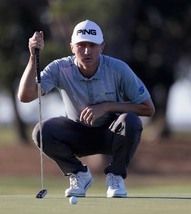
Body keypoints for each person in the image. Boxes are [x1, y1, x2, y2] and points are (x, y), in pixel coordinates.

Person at [18, 20, 155, 198]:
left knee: (131, 121)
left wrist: (106, 107)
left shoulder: (118, 69)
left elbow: (148, 108)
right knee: (41, 131)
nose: (87, 51)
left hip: (112, 134)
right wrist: (32, 57)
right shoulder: (60, 68)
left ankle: (116, 176)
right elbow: (25, 96)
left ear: (102, 47)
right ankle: (78, 174)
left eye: (92, 45)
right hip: (77, 135)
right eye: (81, 45)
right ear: (72, 47)